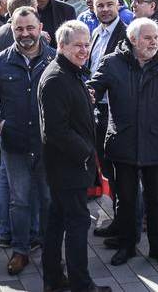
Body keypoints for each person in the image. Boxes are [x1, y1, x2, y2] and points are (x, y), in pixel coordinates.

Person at [87, 17, 158, 267]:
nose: (154, 42)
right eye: (147, 38)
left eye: (156, 38)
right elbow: (93, 89)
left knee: (157, 201)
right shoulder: (112, 63)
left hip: (157, 145)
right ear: (133, 39)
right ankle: (127, 246)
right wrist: (82, 93)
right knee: (126, 200)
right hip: (123, 144)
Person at [0, 6, 54, 276]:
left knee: (47, 198)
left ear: (40, 28)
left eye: (30, 27)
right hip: (14, 144)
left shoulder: (54, 59)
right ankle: (20, 250)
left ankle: (50, 250)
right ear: (11, 30)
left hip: (46, 145)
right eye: (19, 29)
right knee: (19, 200)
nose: (25, 33)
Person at [38, 20, 111, 292]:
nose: (84, 50)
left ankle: (54, 279)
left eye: (87, 45)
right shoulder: (57, 78)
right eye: (78, 45)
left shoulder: (70, 72)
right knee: (77, 224)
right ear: (61, 45)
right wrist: (86, 152)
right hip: (68, 167)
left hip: (67, 166)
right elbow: (56, 130)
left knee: (57, 221)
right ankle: (81, 284)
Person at [86, 0, 125, 236]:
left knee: (121, 170)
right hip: (99, 111)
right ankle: (120, 218)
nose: (105, 9)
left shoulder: (126, 35)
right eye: (100, 5)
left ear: (118, 5)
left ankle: (126, 221)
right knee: (108, 168)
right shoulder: (95, 33)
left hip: (118, 111)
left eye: (109, 4)